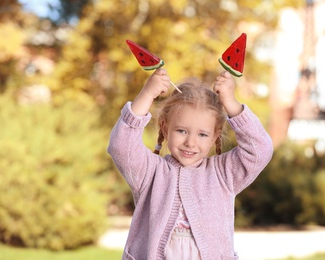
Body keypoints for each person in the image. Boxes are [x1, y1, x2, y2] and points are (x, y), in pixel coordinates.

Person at [107, 68, 273, 260]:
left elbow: (260, 149)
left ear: (215, 136)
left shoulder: (223, 173)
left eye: (202, 134)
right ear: (165, 128)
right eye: (182, 131)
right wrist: (147, 94)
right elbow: (121, 145)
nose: (190, 143)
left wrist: (231, 103)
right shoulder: (150, 172)